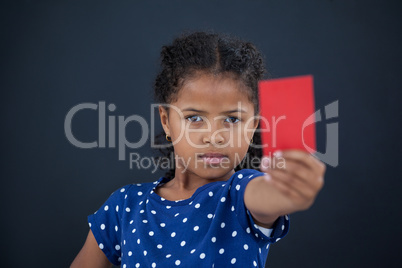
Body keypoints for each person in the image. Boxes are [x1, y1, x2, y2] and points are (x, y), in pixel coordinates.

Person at [71, 31, 326, 268]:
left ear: (254, 127)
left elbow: (267, 195)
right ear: (165, 120)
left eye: (232, 119)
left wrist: (289, 188)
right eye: (194, 118)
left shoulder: (241, 196)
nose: (213, 137)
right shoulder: (124, 207)